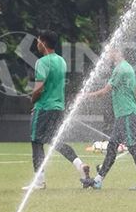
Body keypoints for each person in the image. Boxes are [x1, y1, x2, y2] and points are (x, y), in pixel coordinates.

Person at [81, 46, 136, 190]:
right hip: (124, 114)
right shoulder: (128, 68)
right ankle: (97, 181)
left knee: (133, 147)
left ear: (117, 53)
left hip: (127, 114)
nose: (107, 54)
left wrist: (85, 96)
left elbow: (105, 91)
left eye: (109, 52)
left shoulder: (120, 69)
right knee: (112, 146)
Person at [26, 30, 91, 190]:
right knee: (55, 141)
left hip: (44, 107)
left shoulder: (42, 62)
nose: (36, 44)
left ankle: (39, 181)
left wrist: (33, 99)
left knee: (36, 141)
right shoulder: (61, 61)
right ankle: (80, 165)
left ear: (43, 42)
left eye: (38, 41)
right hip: (58, 107)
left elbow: (39, 88)